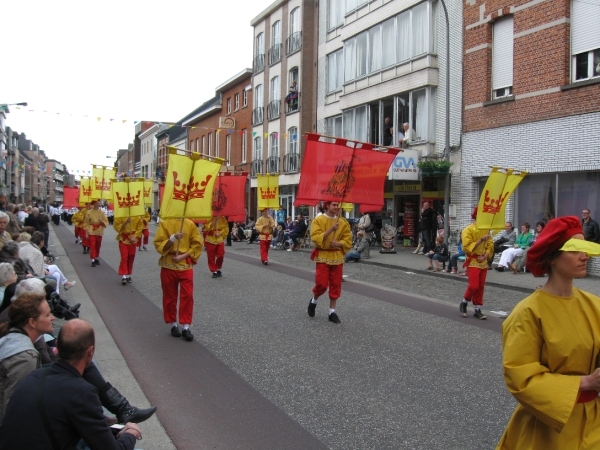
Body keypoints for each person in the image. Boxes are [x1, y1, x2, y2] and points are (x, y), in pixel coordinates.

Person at [496, 216, 600, 449]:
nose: (585, 256)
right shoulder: (528, 313)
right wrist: (585, 383)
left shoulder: (595, 305)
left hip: (594, 421)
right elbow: (521, 377)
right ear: (552, 257)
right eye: (575, 249)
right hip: (547, 428)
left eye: (585, 248)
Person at [0, 319, 143, 450]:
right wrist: (131, 433)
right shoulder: (82, 392)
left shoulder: (34, 375)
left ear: (57, 346)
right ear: (90, 351)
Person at [154, 218, 203, 341]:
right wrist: (173, 238)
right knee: (169, 296)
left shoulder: (190, 224)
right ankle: (173, 324)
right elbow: (159, 244)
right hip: (168, 265)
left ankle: (186, 326)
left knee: (187, 295)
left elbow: (197, 243)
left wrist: (184, 255)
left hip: (185, 265)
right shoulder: (165, 223)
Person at [307, 201, 352, 324]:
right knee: (321, 284)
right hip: (323, 254)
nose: (336, 207)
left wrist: (339, 243)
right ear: (327, 206)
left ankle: (332, 311)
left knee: (336, 284)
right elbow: (315, 238)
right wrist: (331, 229)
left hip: (337, 256)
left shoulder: (342, 222)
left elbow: (348, 239)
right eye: (334, 205)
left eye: (338, 205)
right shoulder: (318, 220)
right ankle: (314, 300)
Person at [459, 207, 494, 320]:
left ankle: (477, 309)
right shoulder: (467, 230)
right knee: (474, 285)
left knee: (481, 286)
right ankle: (464, 302)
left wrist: (485, 256)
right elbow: (466, 247)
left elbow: (490, 246)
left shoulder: (486, 230)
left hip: (482, 261)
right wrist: (481, 240)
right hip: (473, 261)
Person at [114, 215, 143, 286]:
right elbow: (117, 227)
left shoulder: (137, 216)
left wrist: (135, 236)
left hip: (133, 239)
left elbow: (140, 227)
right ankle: (124, 275)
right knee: (124, 256)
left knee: (131, 256)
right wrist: (126, 222)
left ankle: (128, 275)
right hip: (123, 239)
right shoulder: (120, 215)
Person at [83, 200, 108, 267]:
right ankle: (93, 259)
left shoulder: (102, 212)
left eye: (99, 203)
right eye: (97, 203)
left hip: (99, 230)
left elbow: (106, 222)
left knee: (98, 245)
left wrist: (101, 222)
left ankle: (96, 256)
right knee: (93, 245)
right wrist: (87, 232)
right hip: (92, 230)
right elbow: (86, 223)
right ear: (93, 204)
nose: (98, 204)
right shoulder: (89, 212)